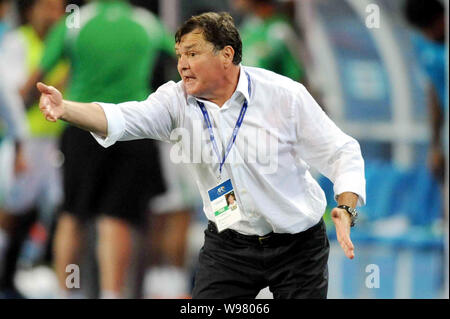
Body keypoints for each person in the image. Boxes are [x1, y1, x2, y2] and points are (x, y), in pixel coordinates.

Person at [36, 12, 366, 299]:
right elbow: (121, 117)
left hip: (297, 246)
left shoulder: (285, 96)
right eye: (180, 54)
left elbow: (342, 151)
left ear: (226, 54)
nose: (182, 63)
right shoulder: (175, 100)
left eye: (192, 53)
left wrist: (346, 208)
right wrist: (65, 108)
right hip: (229, 247)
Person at [21, 0, 174, 299]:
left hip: (82, 128)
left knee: (72, 214)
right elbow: (186, 62)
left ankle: (65, 292)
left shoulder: (74, 23)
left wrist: (16, 121)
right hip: (133, 130)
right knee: (115, 216)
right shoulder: (148, 24)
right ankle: (111, 294)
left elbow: (36, 80)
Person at [0, 0, 66, 299]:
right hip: (25, 141)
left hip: (58, 140)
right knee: (14, 207)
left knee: (55, 207)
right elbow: (14, 96)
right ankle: (6, 277)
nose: (54, 15)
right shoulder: (17, 42)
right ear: (30, 10)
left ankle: (44, 274)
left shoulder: (64, 42)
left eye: (58, 8)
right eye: (47, 7)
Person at [404, 0, 446, 184]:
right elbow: (434, 94)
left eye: (431, 27)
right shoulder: (426, 46)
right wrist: (435, 146)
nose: (429, 35)